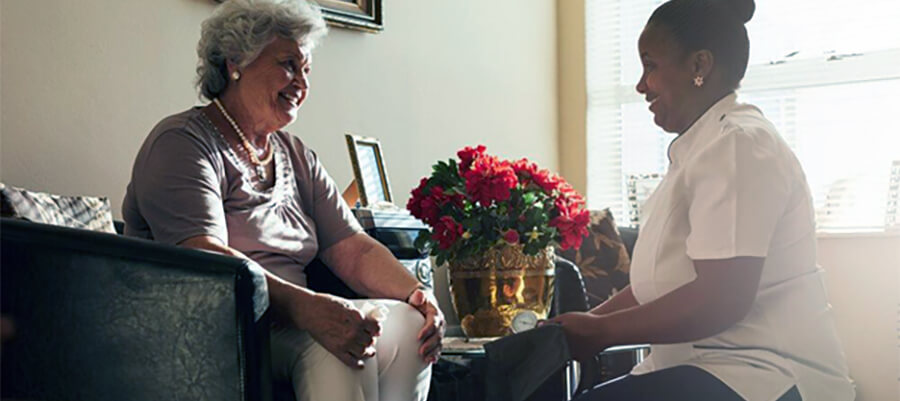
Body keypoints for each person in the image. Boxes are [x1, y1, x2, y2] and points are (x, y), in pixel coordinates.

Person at [121, 1, 443, 400]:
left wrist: (418, 295)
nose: (302, 85)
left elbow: (354, 249)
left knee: (413, 328)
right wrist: (309, 309)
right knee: (337, 347)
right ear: (236, 61)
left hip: (294, 321)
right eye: (289, 65)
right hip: (214, 327)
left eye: (306, 70)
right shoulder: (182, 143)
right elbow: (205, 260)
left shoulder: (295, 155)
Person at [548, 0, 854, 400]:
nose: (641, 85)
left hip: (765, 374)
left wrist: (601, 332)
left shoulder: (739, 144)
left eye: (651, 65)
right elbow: (658, 285)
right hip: (708, 367)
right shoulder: (701, 147)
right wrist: (586, 322)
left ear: (699, 66)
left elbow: (721, 299)